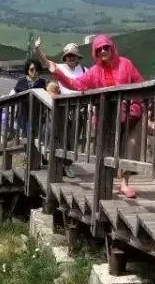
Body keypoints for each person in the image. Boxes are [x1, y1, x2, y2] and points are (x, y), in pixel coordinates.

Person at [42, 34, 144, 198]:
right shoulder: (95, 72)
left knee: (130, 147)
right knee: (107, 150)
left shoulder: (126, 64)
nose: (103, 51)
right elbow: (76, 84)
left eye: (106, 47)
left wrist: (136, 106)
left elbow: (140, 83)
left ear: (112, 47)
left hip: (130, 115)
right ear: (95, 53)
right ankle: (106, 182)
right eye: (99, 49)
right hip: (106, 118)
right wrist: (57, 72)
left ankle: (124, 183)